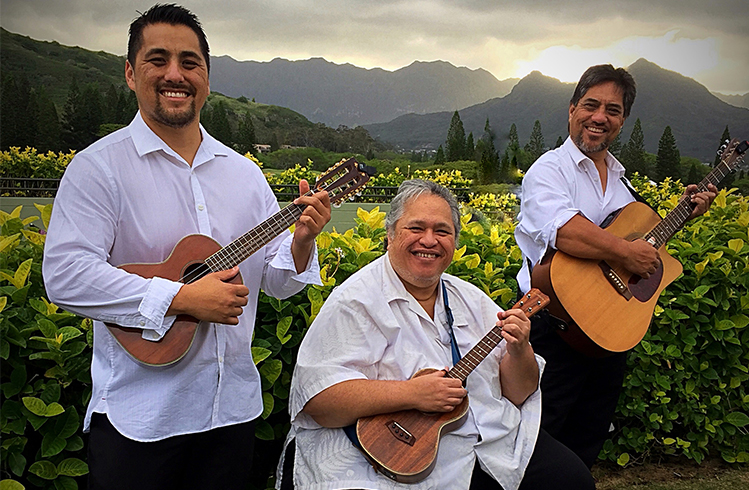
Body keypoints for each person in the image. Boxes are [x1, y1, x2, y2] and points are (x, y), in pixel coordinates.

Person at [42, 4, 331, 490]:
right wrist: (180, 297)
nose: (176, 74)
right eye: (158, 60)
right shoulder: (98, 168)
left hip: (231, 414)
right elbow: (66, 275)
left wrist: (301, 241)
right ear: (131, 74)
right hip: (140, 421)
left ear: (207, 80)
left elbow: (279, 284)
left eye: (190, 63)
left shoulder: (245, 176)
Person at [277, 179, 594, 490]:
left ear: (455, 242)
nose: (429, 240)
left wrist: (519, 350)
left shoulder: (473, 301)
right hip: (385, 450)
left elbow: (519, 393)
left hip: (486, 437)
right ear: (389, 235)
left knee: (572, 479)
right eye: (416, 228)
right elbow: (319, 402)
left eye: (442, 231)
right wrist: (412, 394)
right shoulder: (355, 302)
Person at [514, 64, 716, 468]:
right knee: (537, 442)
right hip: (554, 325)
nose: (600, 117)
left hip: (609, 328)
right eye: (591, 105)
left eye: (613, 109)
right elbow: (565, 232)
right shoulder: (549, 170)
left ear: (622, 120)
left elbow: (641, 242)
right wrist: (624, 254)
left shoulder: (622, 180)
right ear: (571, 109)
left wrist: (683, 214)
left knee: (586, 439)